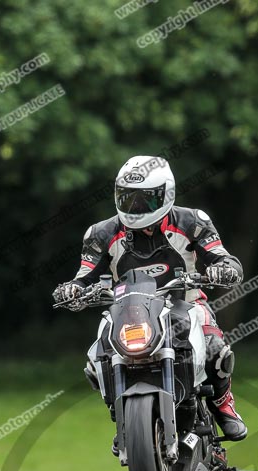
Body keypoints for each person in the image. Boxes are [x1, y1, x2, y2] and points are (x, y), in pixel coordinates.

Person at [53, 155, 247, 442]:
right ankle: (123, 416)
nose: (135, 208)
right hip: (128, 310)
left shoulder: (193, 221)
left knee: (215, 348)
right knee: (97, 357)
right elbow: (84, 276)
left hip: (188, 303)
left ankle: (223, 405)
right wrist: (72, 289)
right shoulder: (100, 233)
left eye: (144, 200)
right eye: (128, 198)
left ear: (166, 194)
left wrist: (224, 269)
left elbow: (223, 257)